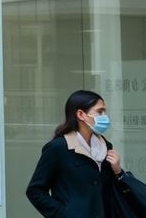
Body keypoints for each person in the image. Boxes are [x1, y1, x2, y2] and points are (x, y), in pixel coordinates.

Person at [27, 89, 125, 217]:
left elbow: (110, 190)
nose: (104, 117)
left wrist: (118, 172)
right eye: (100, 111)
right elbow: (35, 191)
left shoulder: (106, 146)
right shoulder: (58, 147)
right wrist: (63, 214)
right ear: (81, 114)